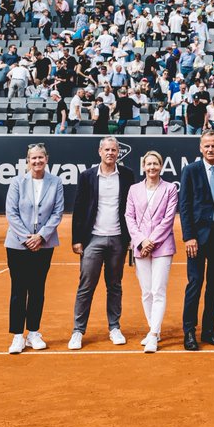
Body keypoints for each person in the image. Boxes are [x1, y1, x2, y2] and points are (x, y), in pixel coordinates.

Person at [68, 136, 136, 350]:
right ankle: (78, 331)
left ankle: (114, 327)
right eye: (107, 150)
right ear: (100, 152)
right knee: (86, 286)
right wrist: (77, 239)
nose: (110, 153)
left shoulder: (127, 175)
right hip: (92, 239)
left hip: (118, 239)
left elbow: (132, 208)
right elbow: (79, 207)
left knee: (114, 286)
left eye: (114, 150)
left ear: (118, 152)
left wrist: (131, 238)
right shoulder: (87, 176)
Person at [5, 143, 65, 353]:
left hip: (44, 244)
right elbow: (11, 213)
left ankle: (33, 333)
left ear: (46, 159)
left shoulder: (56, 182)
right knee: (18, 289)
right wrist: (27, 238)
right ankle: (17, 336)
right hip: (17, 245)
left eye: (41, 157)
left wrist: (40, 236)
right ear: (28, 160)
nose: (37, 161)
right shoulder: (17, 182)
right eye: (33, 158)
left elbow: (57, 212)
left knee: (37, 289)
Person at [179, 130, 214, 350]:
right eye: (206, 146)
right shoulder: (190, 170)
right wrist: (189, 236)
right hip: (197, 239)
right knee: (195, 283)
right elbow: (184, 206)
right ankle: (189, 331)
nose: (210, 149)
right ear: (201, 148)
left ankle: (208, 330)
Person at [125, 150, 178, 353]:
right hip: (140, 246)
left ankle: (154, 335)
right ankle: (153, 328)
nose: (152, 167)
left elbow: (168, 219)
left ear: (161, 166)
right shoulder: (134, 189)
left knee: (158, 291)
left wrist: (151, 241)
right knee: (146, 292)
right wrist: (141, 241)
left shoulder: (170, 188)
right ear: (143, 166)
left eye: (156, 164)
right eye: (149, 164)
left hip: (162, 246)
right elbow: (129, 217)